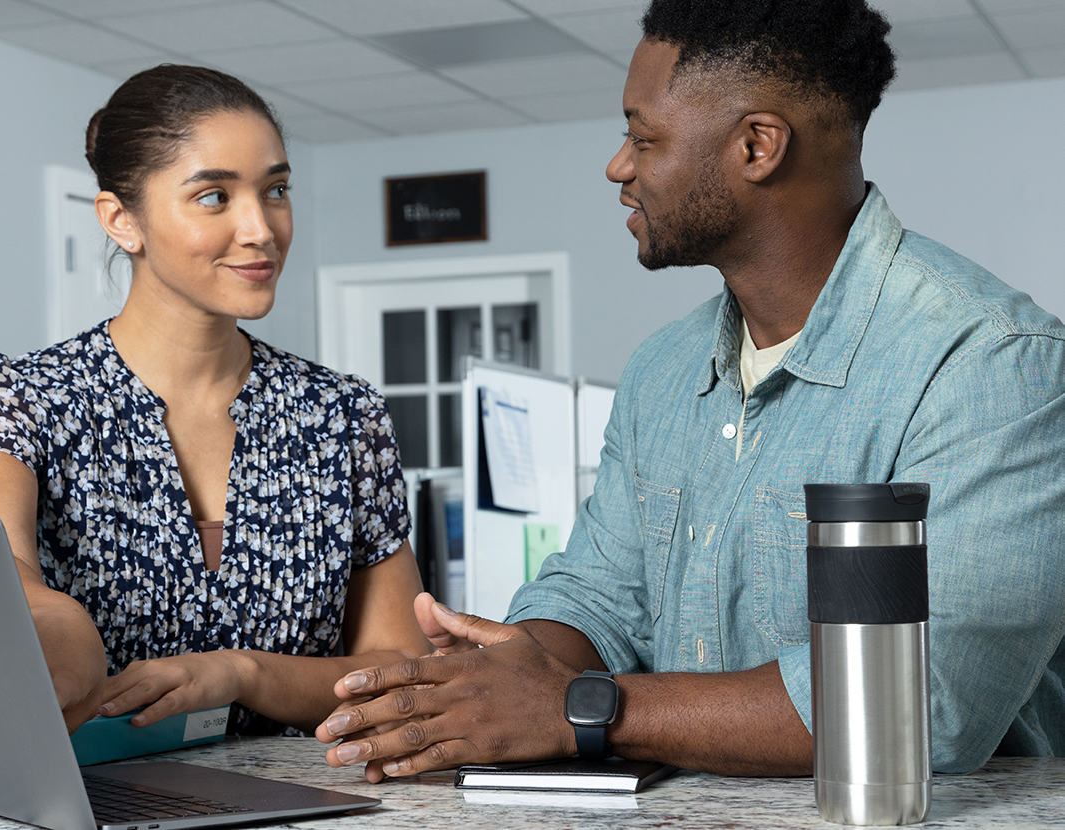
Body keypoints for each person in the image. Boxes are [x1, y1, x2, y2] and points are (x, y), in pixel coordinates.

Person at [316, 0, 1065, 781]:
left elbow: (924, 701)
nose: (619, 166)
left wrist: (578, 710)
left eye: (644, 138)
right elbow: (599, 593)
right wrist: (512, 670)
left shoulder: (992, 364)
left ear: (757, 146)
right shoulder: (663, 371)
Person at [0, 65, 430, 737]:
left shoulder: (344, 416)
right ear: (122, 220)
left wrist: (241, 674)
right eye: (214, 197)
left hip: (306, 802)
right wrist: (60, 628)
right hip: (94, 801)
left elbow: (399, 667)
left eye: (276, 190)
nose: (261, 228)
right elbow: (1, 570)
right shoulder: (19, 398)